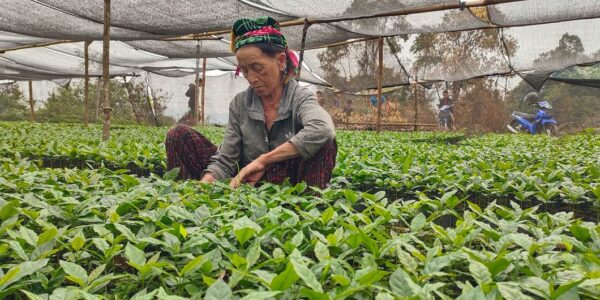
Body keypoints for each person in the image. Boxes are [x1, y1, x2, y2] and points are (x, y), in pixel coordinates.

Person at [165, 16, 337, 189]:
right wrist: (206, 183)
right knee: (178, 136)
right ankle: (188, 202)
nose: (252, 78)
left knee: (324, 144)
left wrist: (264, 160)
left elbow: (323, 128)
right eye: (245, 71)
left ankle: (306, 208)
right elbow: (226, 160)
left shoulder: (300, 97)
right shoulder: (240, 103)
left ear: (281, 61)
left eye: (257, 68)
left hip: (288, 181)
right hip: (246, 179)